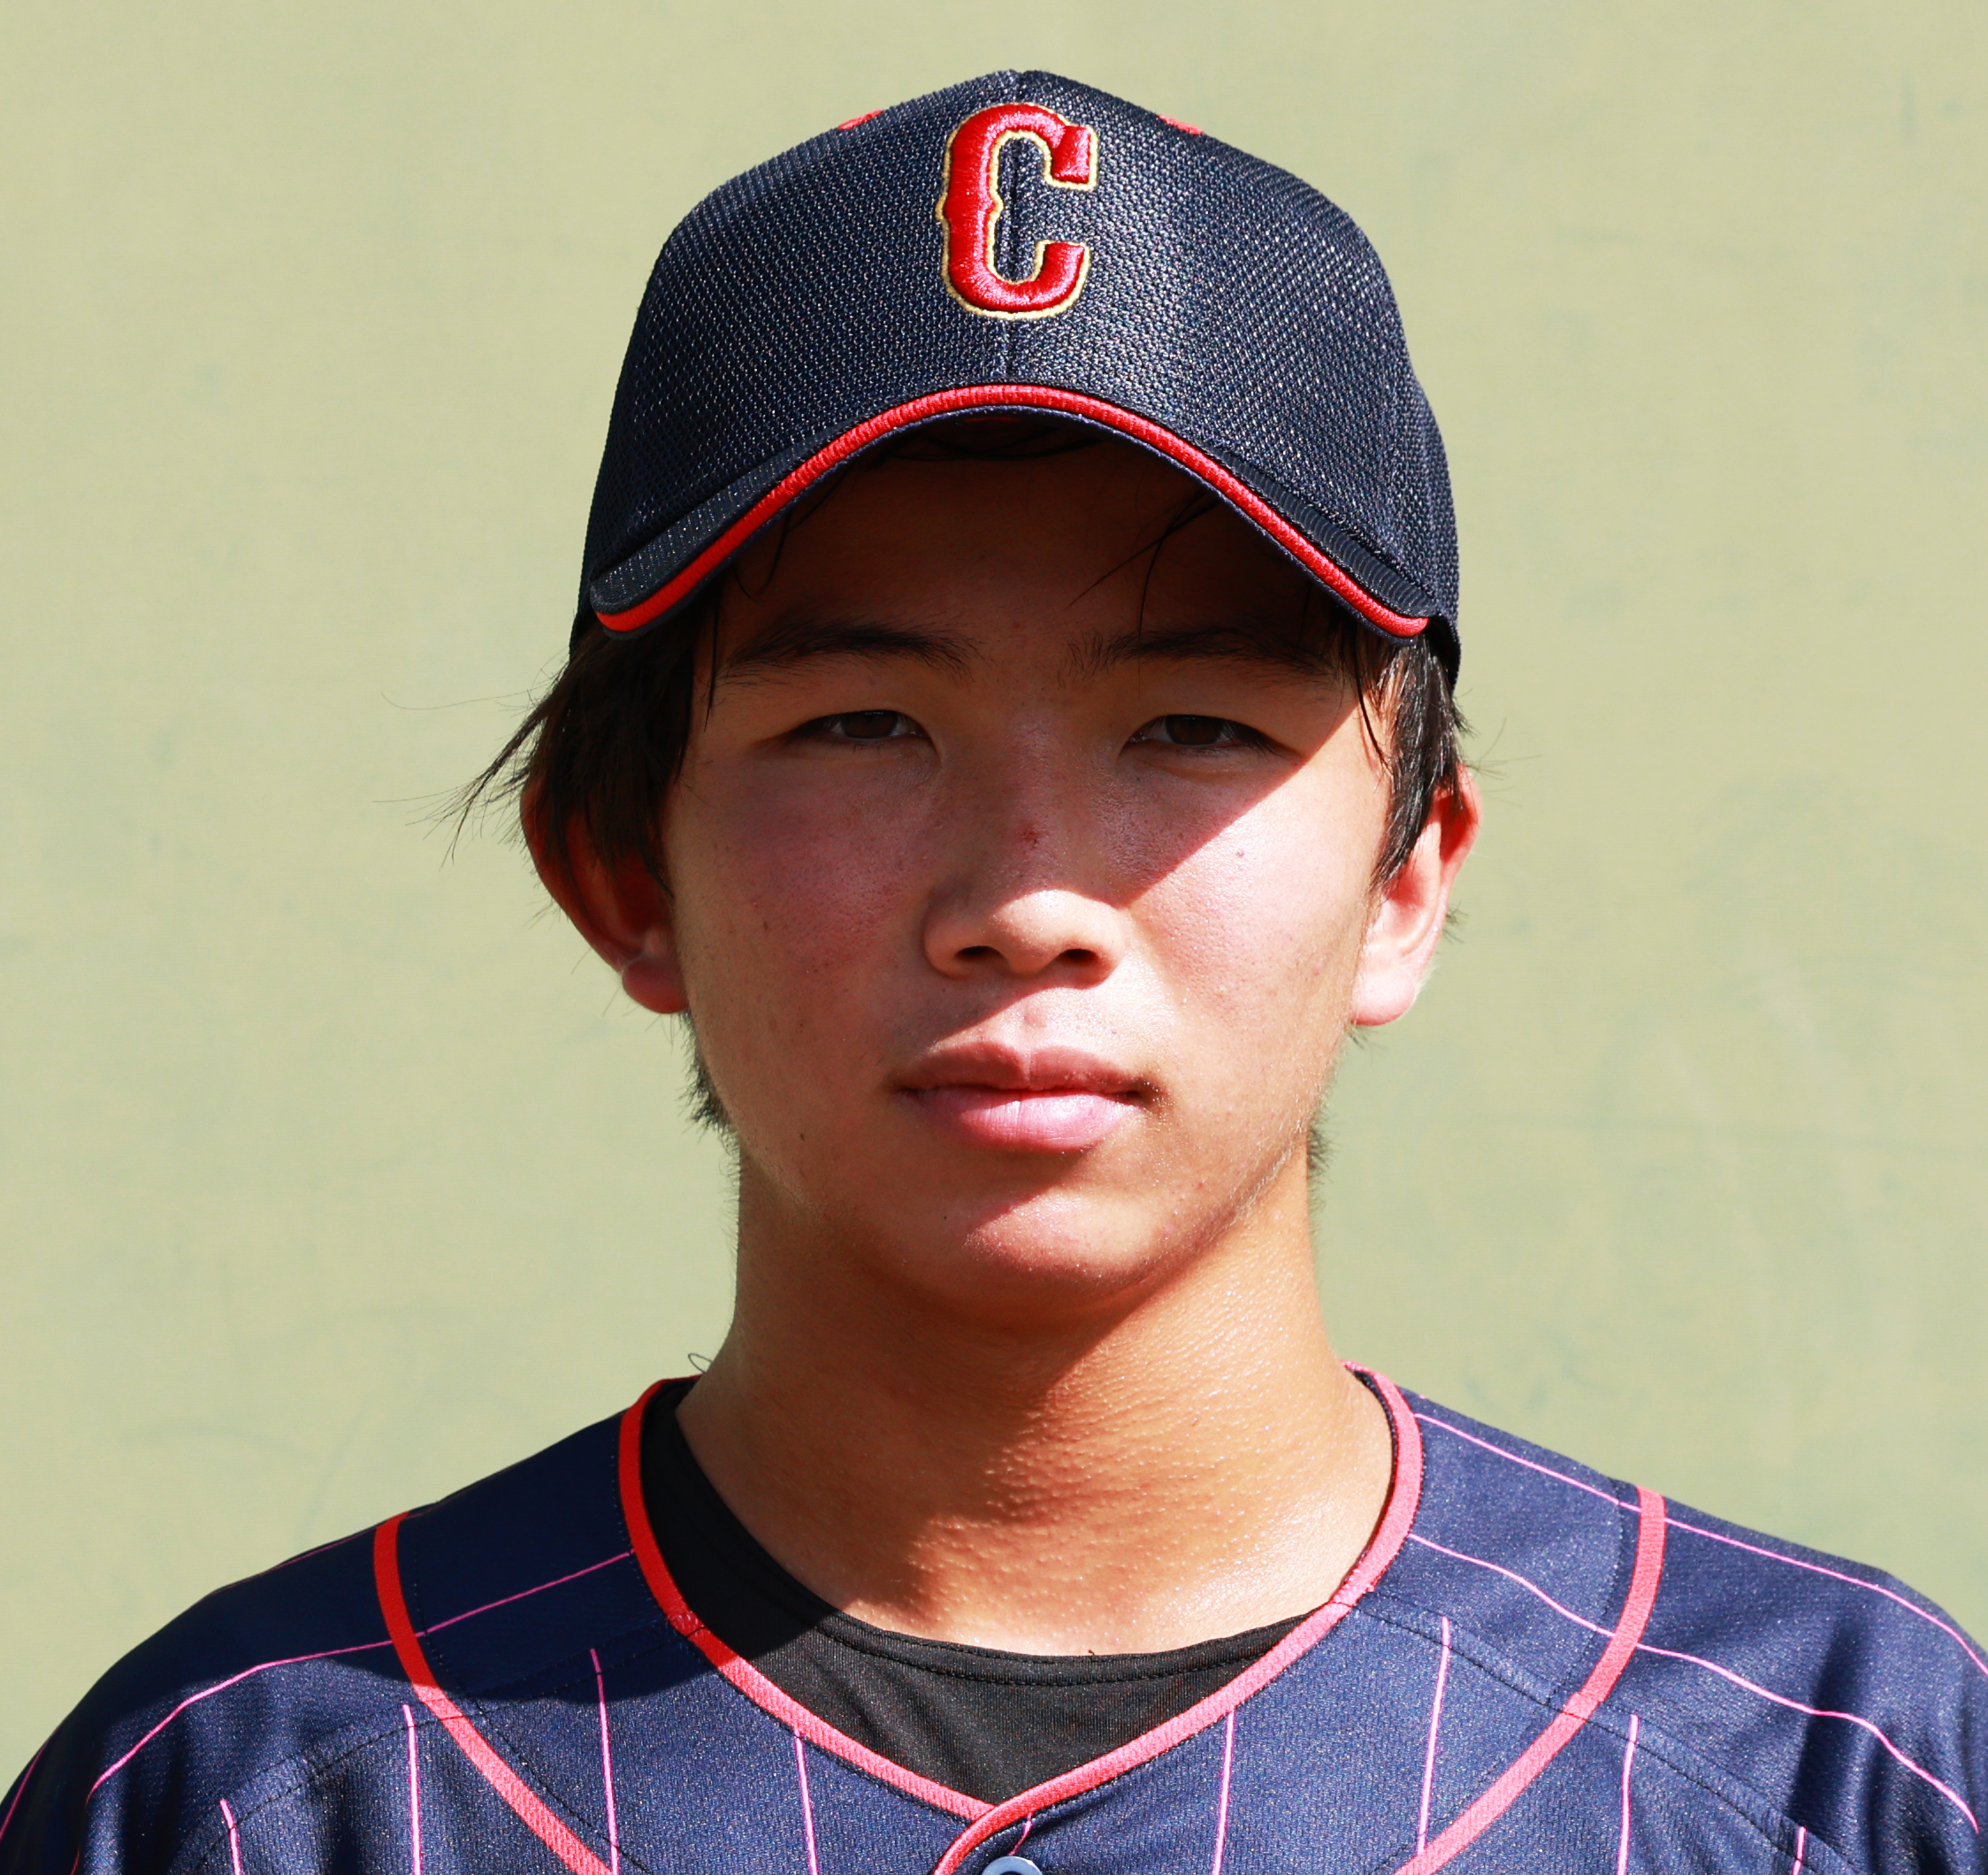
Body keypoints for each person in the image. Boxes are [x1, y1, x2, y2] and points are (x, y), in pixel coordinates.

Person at [3, 70, 1981, 1875]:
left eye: (1192, 726)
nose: (1024, 900)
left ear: (1408, 877)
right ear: (617, 870)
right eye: (861, 724)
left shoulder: (1835, 1773)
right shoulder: (253, 1793)